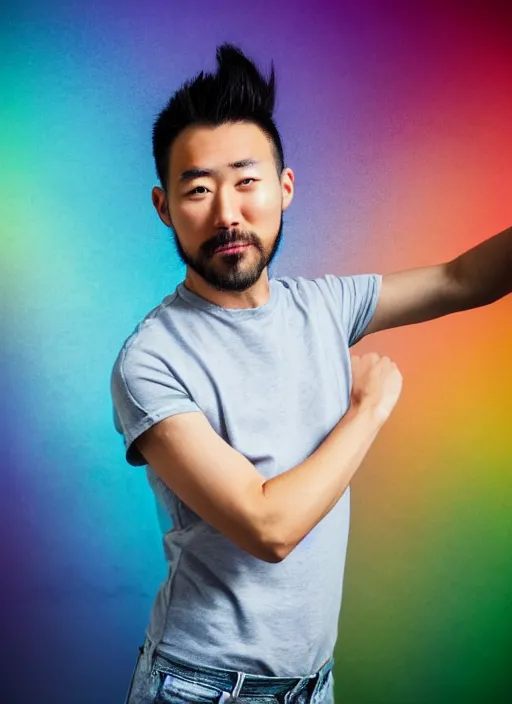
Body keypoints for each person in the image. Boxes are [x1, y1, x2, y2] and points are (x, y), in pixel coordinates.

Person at [110, 43, 511, 704]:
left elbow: (461, 279)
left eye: (246, 180)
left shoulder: (323, 308)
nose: (227, 213)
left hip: (313, 685)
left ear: (284, 188)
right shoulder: (151, 361)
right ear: (163, 206)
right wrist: (370, 407)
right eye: (199, 190)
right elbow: (270, 528)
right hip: (203, 689)